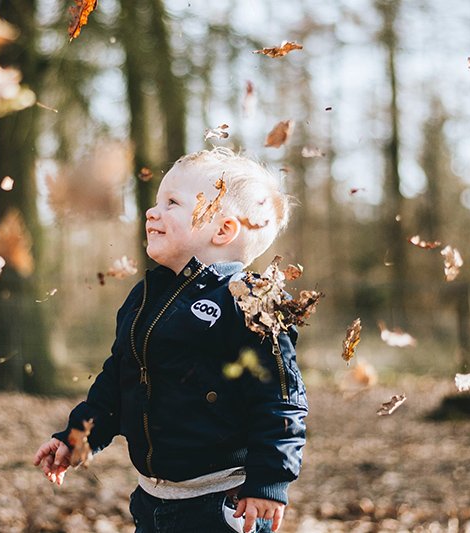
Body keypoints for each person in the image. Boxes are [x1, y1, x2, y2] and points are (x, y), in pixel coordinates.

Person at [33, 147, 308, 533]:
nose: (151, 211)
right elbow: (118, 380)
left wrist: (269, 482)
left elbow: (281, 400)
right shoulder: (147, 296)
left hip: (222, 504)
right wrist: (77, 437)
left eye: (172, 203)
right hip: (153, 500)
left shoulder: (249, 302)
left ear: (222, 229)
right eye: (157, 201)